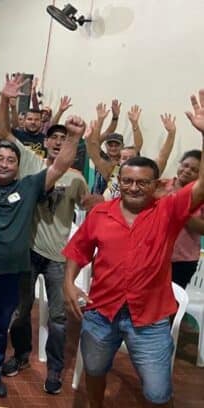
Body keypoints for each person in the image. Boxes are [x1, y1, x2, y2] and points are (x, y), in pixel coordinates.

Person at [62, 88, 204, 408]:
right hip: (101, 312)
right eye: (127, 181)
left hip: (150, 319)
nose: (134, 187)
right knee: (94, 370)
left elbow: (201, 188)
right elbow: (77, 251)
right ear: (120, 181)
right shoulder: (101, 213)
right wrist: (68, 282)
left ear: (156, 185)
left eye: (142, 182)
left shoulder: (168, 211)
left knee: (157, 393)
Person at [0, 74, 84, 398]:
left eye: (11, 160)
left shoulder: (30, 185)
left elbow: (60, 166)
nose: (5, 163)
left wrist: (74, 136)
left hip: (10, 274)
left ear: (19, 166)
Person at [0, 122, 89, 395]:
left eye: (64, 138)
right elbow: (3, 131)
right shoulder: (31, 163)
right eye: (54, 138)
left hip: (58, 257)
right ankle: (21, 355)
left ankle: (54, 369)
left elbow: (86, 206)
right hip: (28, 251)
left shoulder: (76, 179)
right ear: (45, 143)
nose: (59, 142)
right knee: (20, 311)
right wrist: (5, 101)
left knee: (58, 318)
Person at [158, 150, 204, 288]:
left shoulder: (201, 197)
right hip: (153, 255)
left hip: (182, 261)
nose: (187, 171)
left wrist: (180, 209)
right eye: (185, 165)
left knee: (173, 299)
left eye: (194, 170)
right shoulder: (161, 186)